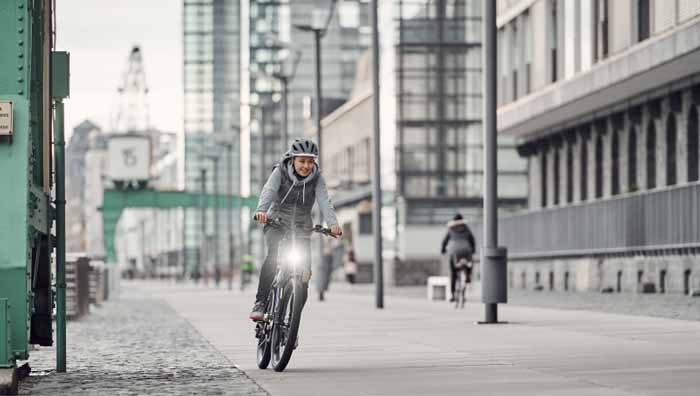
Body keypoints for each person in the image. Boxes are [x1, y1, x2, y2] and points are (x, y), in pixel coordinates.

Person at [250, 138, 342, 321]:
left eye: (310, 161)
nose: (306, 166)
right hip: (276, 221)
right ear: (292, 160)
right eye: (302, 161)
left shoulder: (317, 178)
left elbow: (325, 201)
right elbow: (268, 190)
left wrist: (333, 224)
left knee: (304, 276)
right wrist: (261, 211)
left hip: (302, 226)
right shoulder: (280, 172)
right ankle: (260, 302)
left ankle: (292, 322)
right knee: (273, 256)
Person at [440, 213, 475, 302]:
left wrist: (443, 250)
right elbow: (472, 240)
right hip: (466, 250)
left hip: (454, 251)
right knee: (469, 263)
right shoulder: (466, 228)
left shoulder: (451, 228)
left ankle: (452, 295)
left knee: (453, 273)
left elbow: (445, 241)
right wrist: (473, 250)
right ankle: (468, 275)